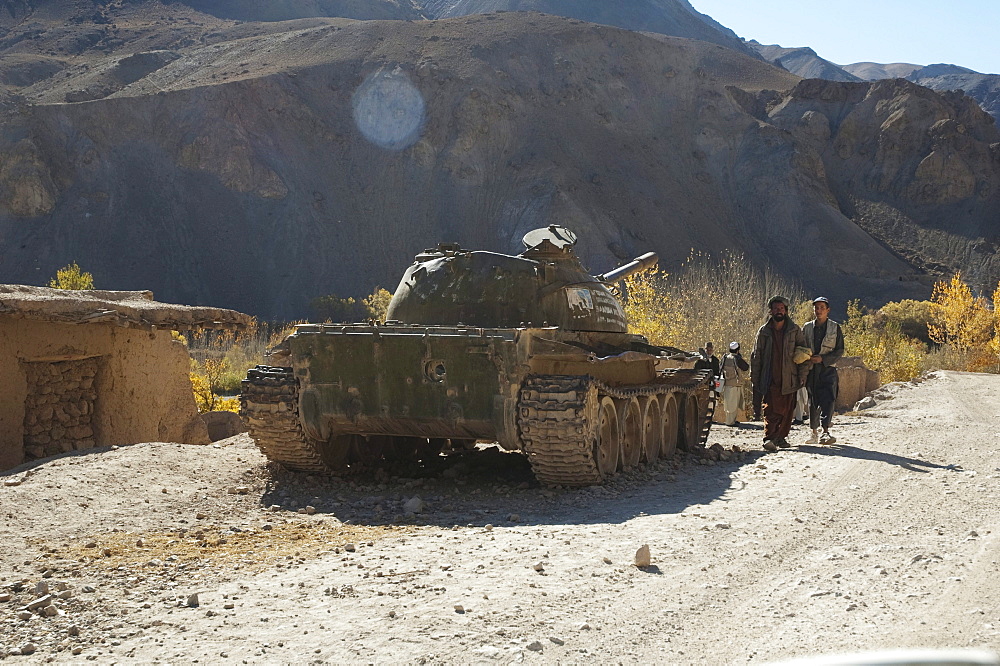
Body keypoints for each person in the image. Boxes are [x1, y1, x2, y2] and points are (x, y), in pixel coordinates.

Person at [750, 296, 811, 451]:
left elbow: (803, 354)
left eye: (782, 309)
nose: (779, 311)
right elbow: (756, 355)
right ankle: (769, 438)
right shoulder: (764, 331)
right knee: (770, 409)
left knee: (787, 410)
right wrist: (755, 378)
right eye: (776, 309)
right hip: (769, 377)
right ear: (771, 311)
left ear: (786, 311)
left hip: (789, 377)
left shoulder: (794, 330)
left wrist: (803, 375)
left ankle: (781, 437)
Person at [802, 296, 844, 444]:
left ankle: (826, 431)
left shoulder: (835, 327)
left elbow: (839, 350)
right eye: (816, 307)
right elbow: (801, 347)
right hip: (812, 369)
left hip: (828, 369)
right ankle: (813, 432)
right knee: (813, 400)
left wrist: (824, 359)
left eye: (821, 308)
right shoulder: (807, 327)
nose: (818, 310)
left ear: (828, 310)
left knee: (828, 399)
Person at [720, 341, 750, 426]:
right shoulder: (737, 358)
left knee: (728, 404)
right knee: (734, 404)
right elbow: (745, 367)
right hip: (735, 385)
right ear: (737, 350)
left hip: (726, 384)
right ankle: (730, 422)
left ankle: (730, 420)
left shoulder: (725, 357)